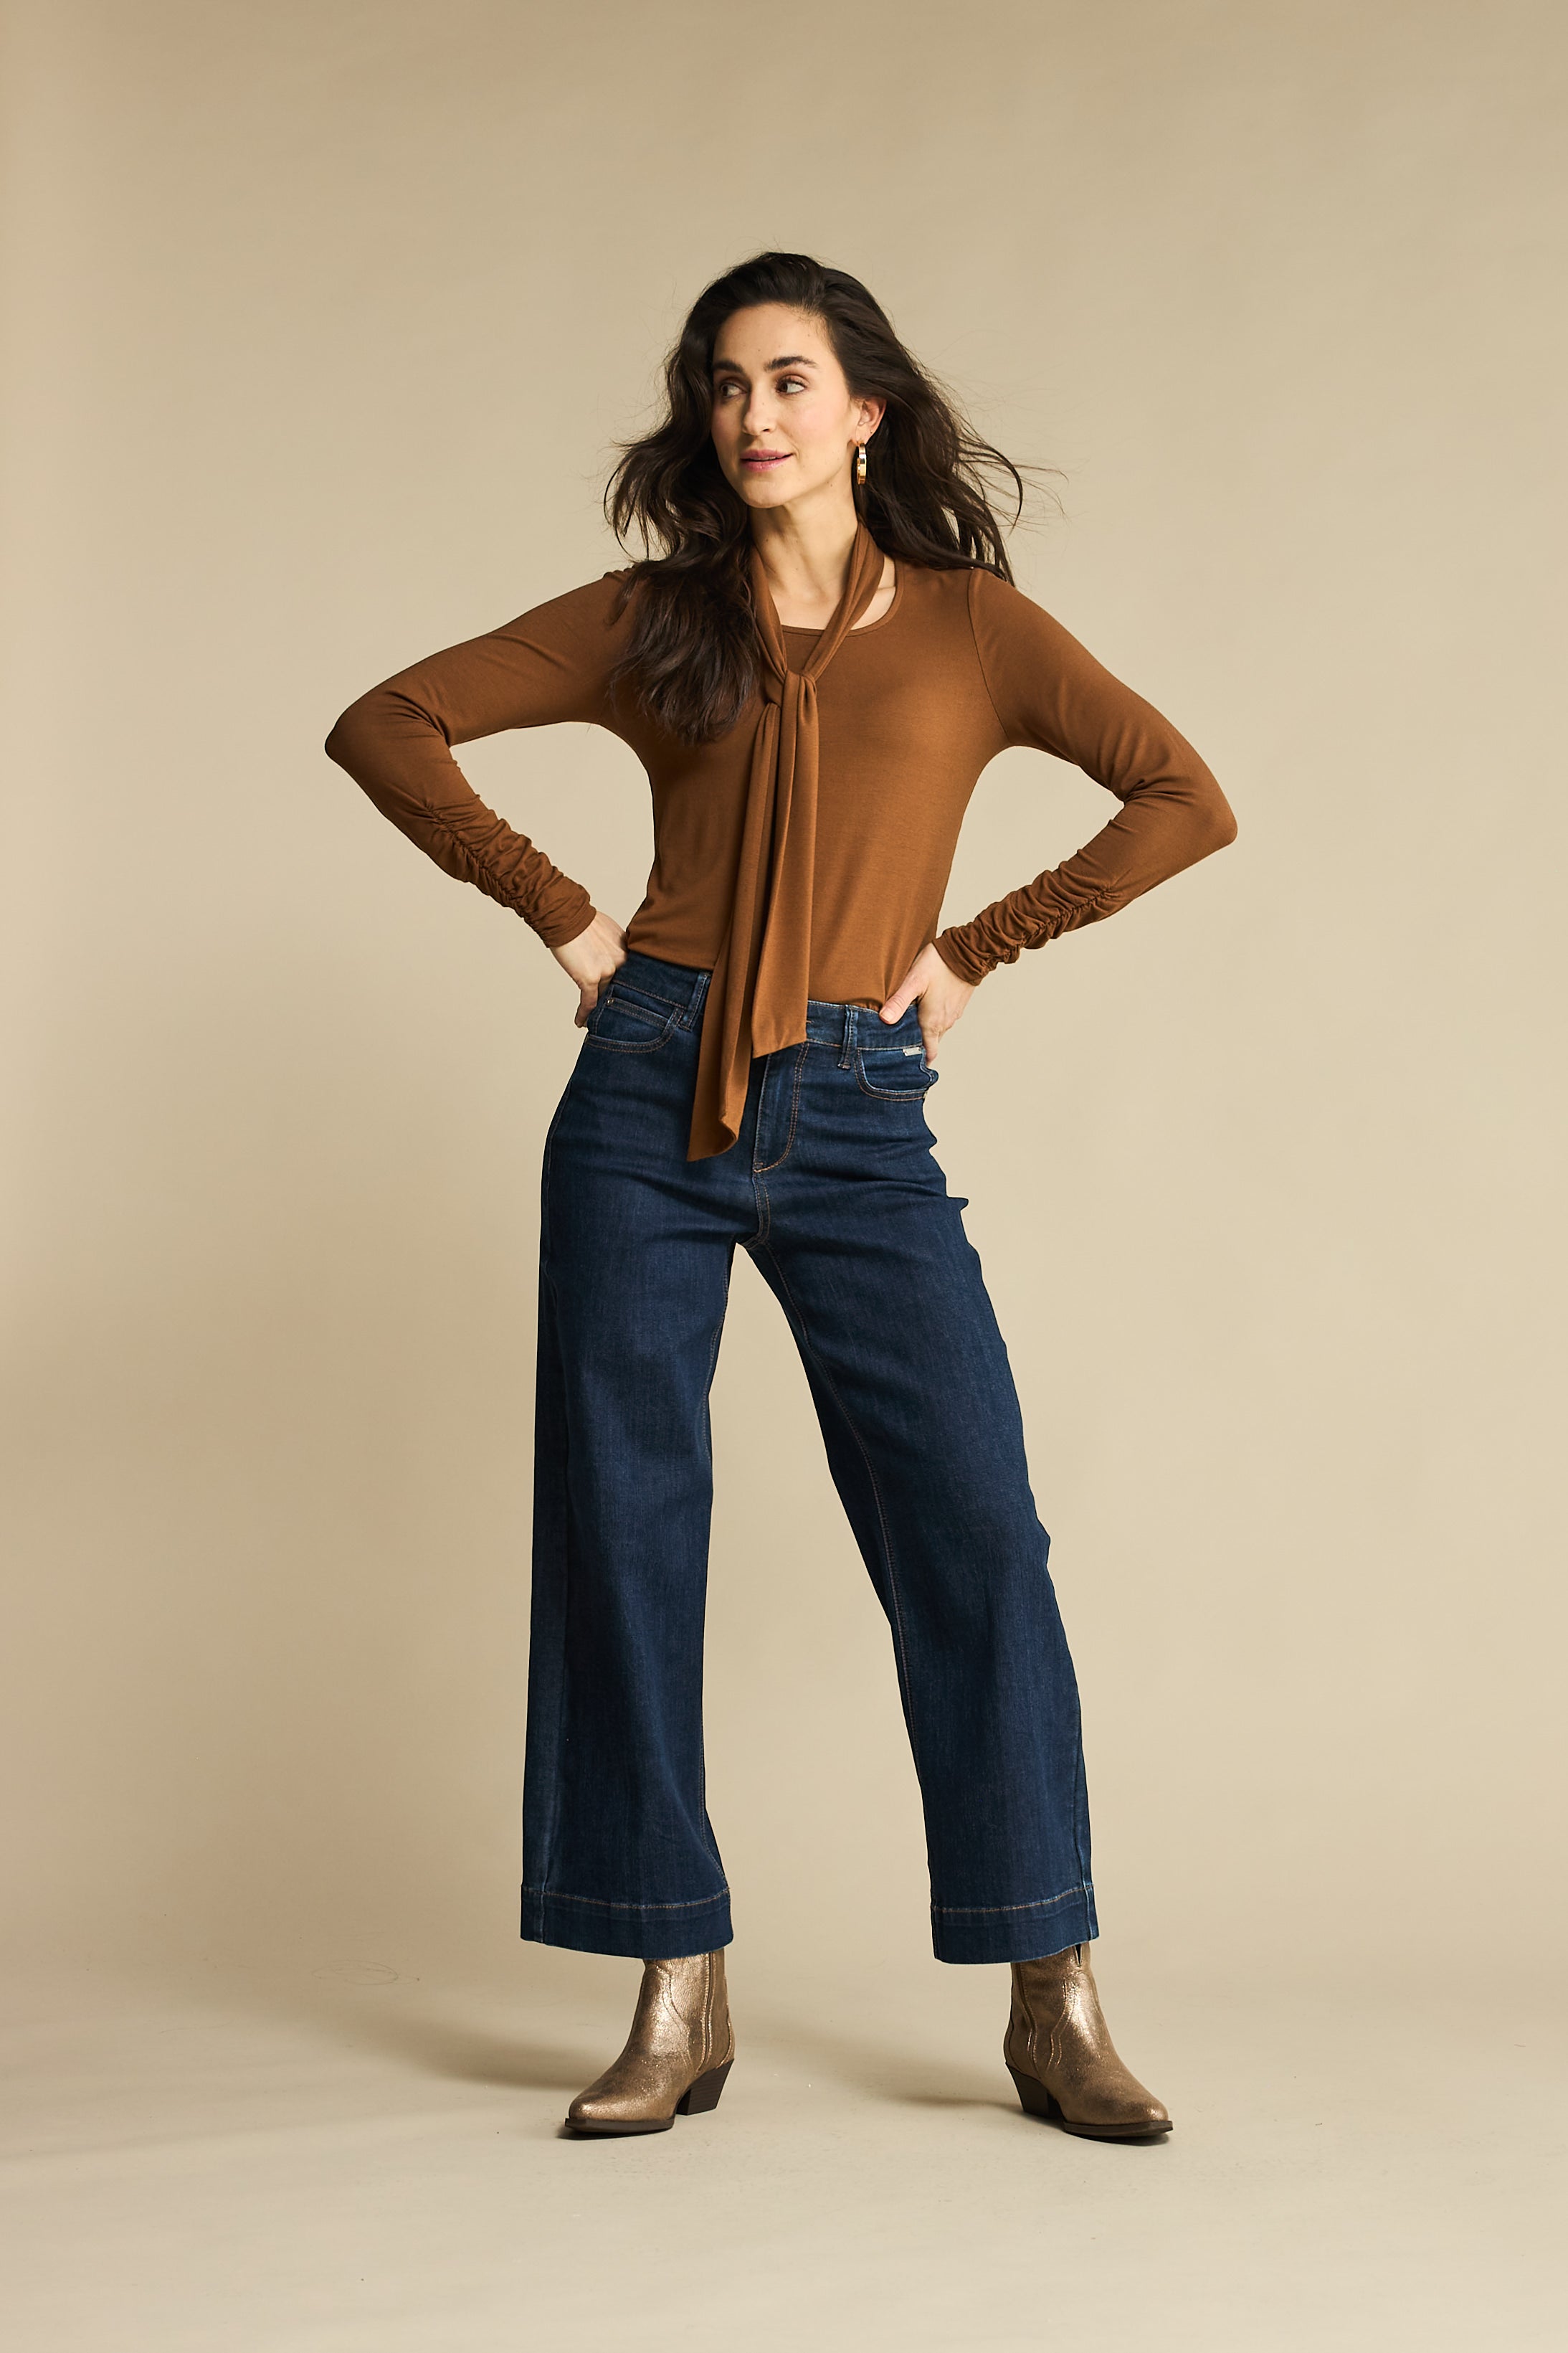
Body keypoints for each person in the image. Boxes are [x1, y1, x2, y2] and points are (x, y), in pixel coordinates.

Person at [324, 250, 1236, 2144]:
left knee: (972, 1524)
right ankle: (673, 1975)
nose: (755, 414)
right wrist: (562, 913)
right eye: (726, 384)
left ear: (866, 408)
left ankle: (1050, 1987)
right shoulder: (653, 615)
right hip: (643, 1094)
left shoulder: (974, 629)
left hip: (862, 1108)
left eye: (792, 379)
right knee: (626, 1525)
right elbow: (387, 722)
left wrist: (983, 941)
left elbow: (1175, 792)